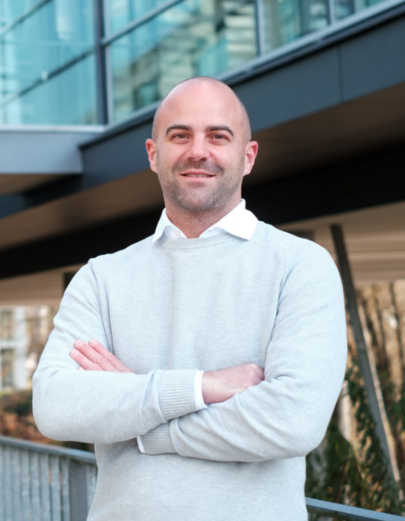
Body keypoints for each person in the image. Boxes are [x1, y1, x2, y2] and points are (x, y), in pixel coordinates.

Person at [32, 77, 347, 521]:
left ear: (248, 156)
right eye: (180, 135)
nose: (198, 151)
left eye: (218, 136)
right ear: (153, 153)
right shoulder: (101, 276)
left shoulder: (301, 266)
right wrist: (201, 387)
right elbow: (55, 406)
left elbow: (293, 421)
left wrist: (143, 421)